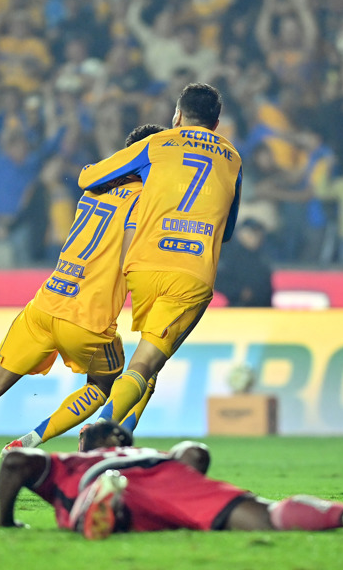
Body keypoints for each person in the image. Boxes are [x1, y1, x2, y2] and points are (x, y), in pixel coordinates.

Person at [0, 125, 167, 497]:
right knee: (117, 384)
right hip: (88, 317)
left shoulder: (95, 188)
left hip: (45, 302)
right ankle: (34, 441)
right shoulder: (146, 203)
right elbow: (132, 256)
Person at [77, 83, 242, 428]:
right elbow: (226, 232)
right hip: (190, 273)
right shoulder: (233, 159)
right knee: (146, 365)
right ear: (216, 121)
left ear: (178, 115)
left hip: (144, 266)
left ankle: (119, 442)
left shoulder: (157, 143)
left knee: (149, 361)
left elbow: (88, 178)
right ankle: (100, 432)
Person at [0, 420, 343, 540]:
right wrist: (184, 466)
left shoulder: (69, 461)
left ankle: (104, 500)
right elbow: (196, 452)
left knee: (95, 508)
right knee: (267, 515)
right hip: (169, 477)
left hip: (99, 479)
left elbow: (15, 462)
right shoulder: (154, 453)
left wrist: (6, 520)